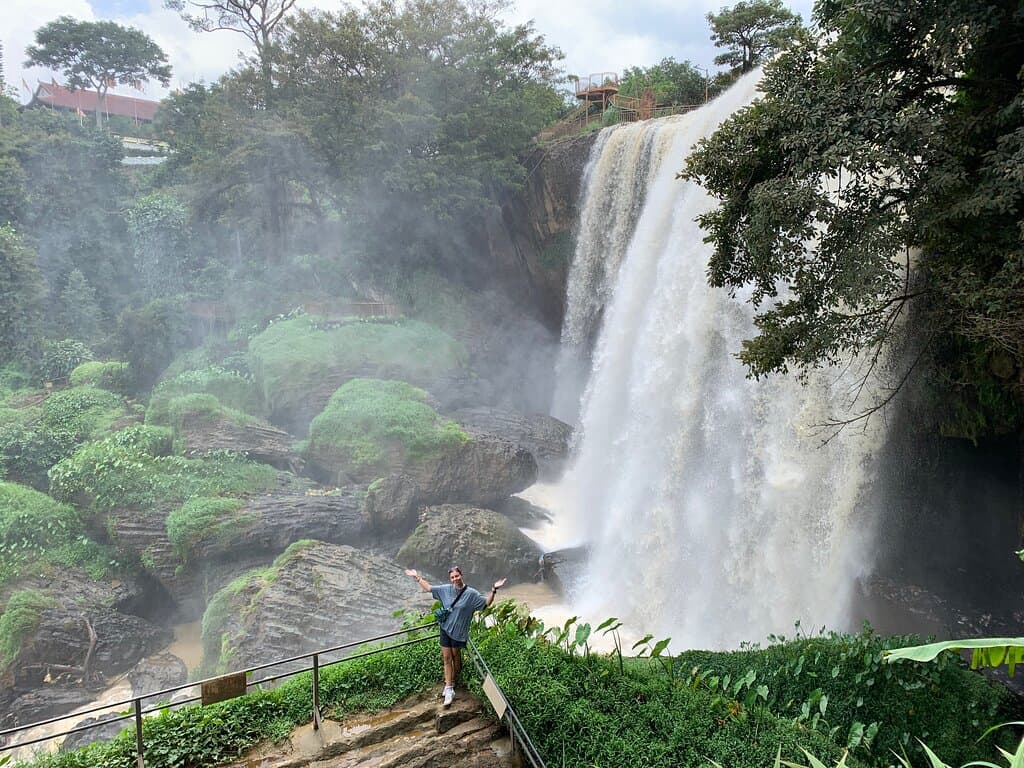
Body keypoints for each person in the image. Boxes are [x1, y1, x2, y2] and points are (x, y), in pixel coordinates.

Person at [405, 566, 507, 706]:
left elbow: (485, 604)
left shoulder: (471, 594)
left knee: (455, 658)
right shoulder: (446, 589)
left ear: (461, 575)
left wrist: (494, 590)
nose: (455, 579)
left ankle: (453, 681)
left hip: (459, 632)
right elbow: (429, 588)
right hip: (445, 628)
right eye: (452, 577)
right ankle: (449, 688)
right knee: (447, 658)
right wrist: (417, 577)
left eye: (457, 576)